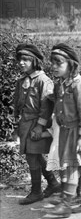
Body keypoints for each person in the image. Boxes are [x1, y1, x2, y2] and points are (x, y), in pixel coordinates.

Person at [36, 43, 81, 217]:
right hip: (67, 131)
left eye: (59, 63)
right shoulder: (62, 84)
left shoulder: (79, 86)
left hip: (80, 132)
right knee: (80, 166)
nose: (54, 67)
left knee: (72, 165)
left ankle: (66, 203)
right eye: (52, 63)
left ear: (71, 65)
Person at [13, 44, 60, 205]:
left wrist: (40, 126)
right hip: (25, 123)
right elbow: (18, 103)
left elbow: (46, 106)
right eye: (20, 59)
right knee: (33, 154)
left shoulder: (43, 80)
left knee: (33, 156)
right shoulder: (21, 80)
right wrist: (16, 123)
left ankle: (36, 191)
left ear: (34, 61)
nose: (21, 62)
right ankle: (53, 183)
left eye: (26, 59)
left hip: (36, 123)